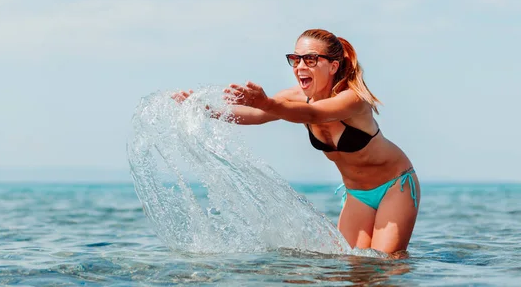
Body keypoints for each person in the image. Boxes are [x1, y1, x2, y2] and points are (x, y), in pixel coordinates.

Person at [173, 29, 420, 255]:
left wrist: (267, 103)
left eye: (310, 59)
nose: (300, 65)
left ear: (333, 66)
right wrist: (206, 110)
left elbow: (313, 114)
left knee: (385, 265)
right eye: (296, 59)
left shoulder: (353, 99)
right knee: (352, 268)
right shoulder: (295, 97)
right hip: (356, 194)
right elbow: (258, 116)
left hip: (394, 186)